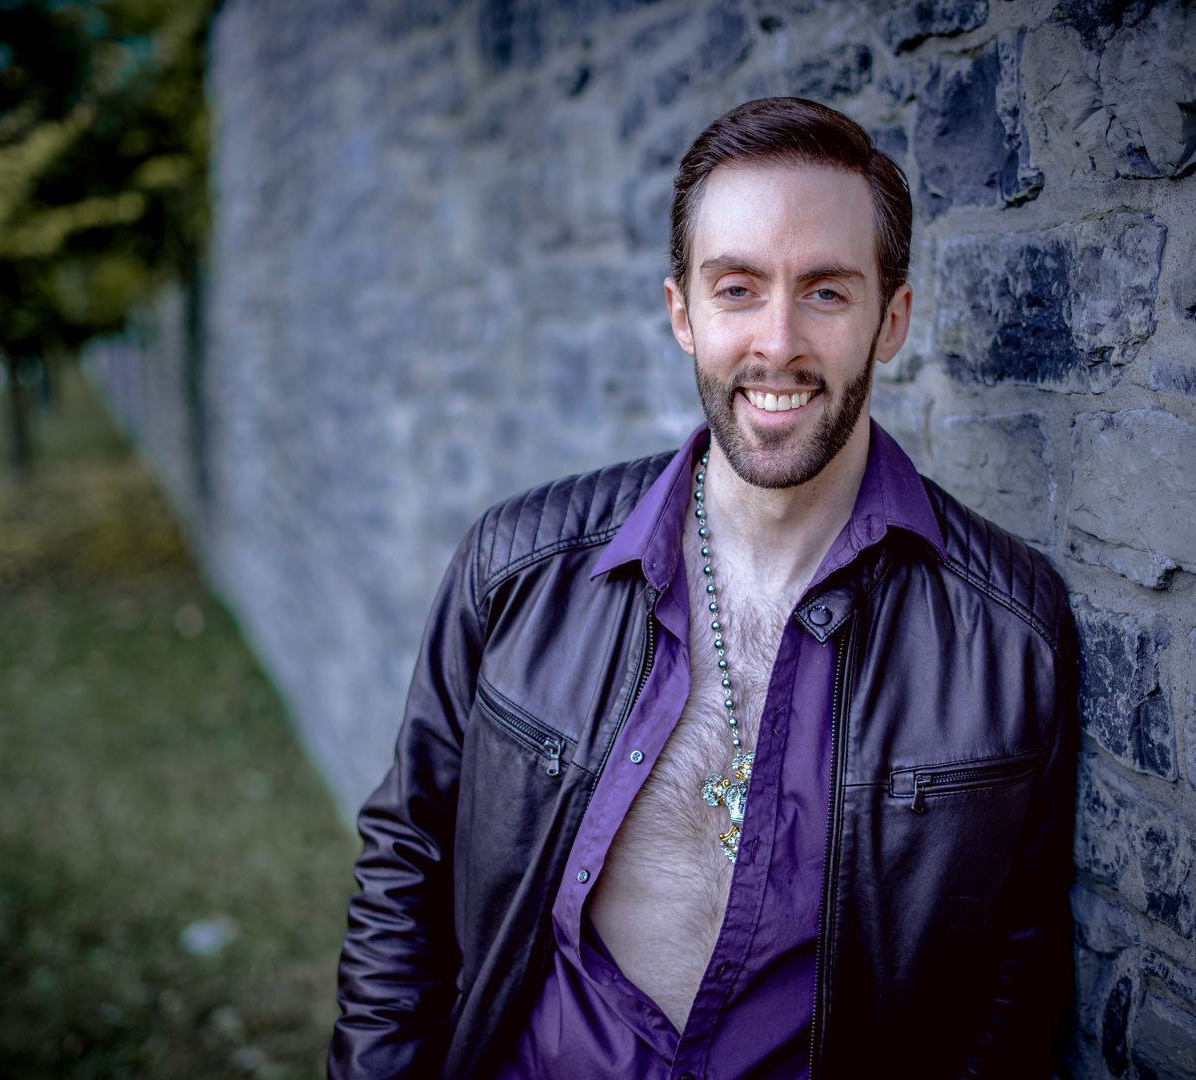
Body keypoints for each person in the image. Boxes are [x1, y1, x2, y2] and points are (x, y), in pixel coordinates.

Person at [329, 97, 1078, 1080]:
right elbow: (407, 860)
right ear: (681, 309)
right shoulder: (518, 570)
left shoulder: (1009, 632)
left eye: (825, 292)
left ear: (890, 319)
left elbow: (1013, 976)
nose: (777, 343)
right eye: (737, 289)